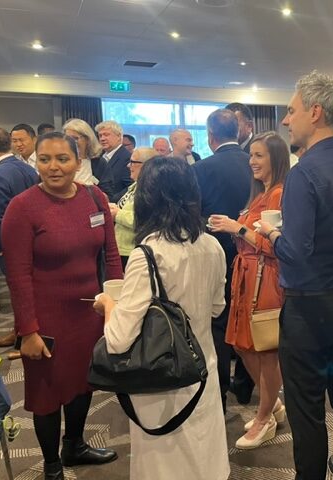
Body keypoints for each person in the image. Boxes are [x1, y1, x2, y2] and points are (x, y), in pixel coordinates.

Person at [258, 71, 333, 480]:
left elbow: (295, 253)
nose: (286, 120)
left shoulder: (303, 173)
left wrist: (271, 233)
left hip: (307, 312)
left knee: (306, 405)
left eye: (291, 111)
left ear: (316, 112)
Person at [94, 156, 229, 480]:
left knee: (167, 466)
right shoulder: (212, 245)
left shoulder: (148, 254)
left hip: (161, 379)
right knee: (204, 460)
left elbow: (119, 339)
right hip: (203, 368)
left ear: (146, 198)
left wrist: (108, 305)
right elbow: (216, 308)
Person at [1, 132, 122, 480]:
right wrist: (28, 330)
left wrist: (117, 302)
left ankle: (75, 446)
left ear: (78, 162)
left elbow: (111, 255)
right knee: (47, 392)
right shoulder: (22, 207)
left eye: (62, 159)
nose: (53, 167)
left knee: (84, 382)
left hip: (89, 313)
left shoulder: (95, 198)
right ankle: (52, 465)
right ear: (35, 162)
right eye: (45, 159)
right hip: (46, 319)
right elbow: (18, 276)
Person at [208, 132, 289, 449]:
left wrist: (237, 227)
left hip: (265, 278)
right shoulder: (261, 192)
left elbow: (275, 247)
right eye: (251, 155)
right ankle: (274, 405)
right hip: (247, 276)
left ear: (275, 158)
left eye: (259, 155)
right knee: (242, 345)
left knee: (265, 349)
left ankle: (264, 417)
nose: (252, 161)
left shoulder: (279, 194)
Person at [192, 109, 254, 410]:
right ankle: (245, 385)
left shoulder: (200, 169)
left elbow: (192, 215)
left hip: (213, 255)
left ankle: (219, 391)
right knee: (247, 318)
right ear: (238, 132)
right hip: (251, 253)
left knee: (218, 321)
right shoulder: (255, 163)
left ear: (210, 136)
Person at [0, 126, 38, 348]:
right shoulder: (28, 169)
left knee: (18, 291)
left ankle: (23, 334)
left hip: (12, 245)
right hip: (33, 239)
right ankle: (20, 330)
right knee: (29, 289)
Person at [108, 147, 156, 268]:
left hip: (134, 251)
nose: (128, 166)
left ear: (146, 165)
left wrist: (117, 214)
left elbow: (146, 220)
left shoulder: (151, 190)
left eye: (132, 162)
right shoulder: (136, 185)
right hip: (123, 249)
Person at [63, 118, 115, 198]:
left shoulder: (99, 163)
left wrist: (87, 191)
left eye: (75, 138)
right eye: (67, 139)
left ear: (87, 139)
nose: (71, 142)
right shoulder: (60, 162)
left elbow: (108, 195)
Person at [95, 120, 132, 202]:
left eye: (106, 135)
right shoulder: (98, 158)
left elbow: (131, 187)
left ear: (119, 136)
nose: (102, 139)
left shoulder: (127, 158)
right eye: (100, 135)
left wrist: (111, 199)